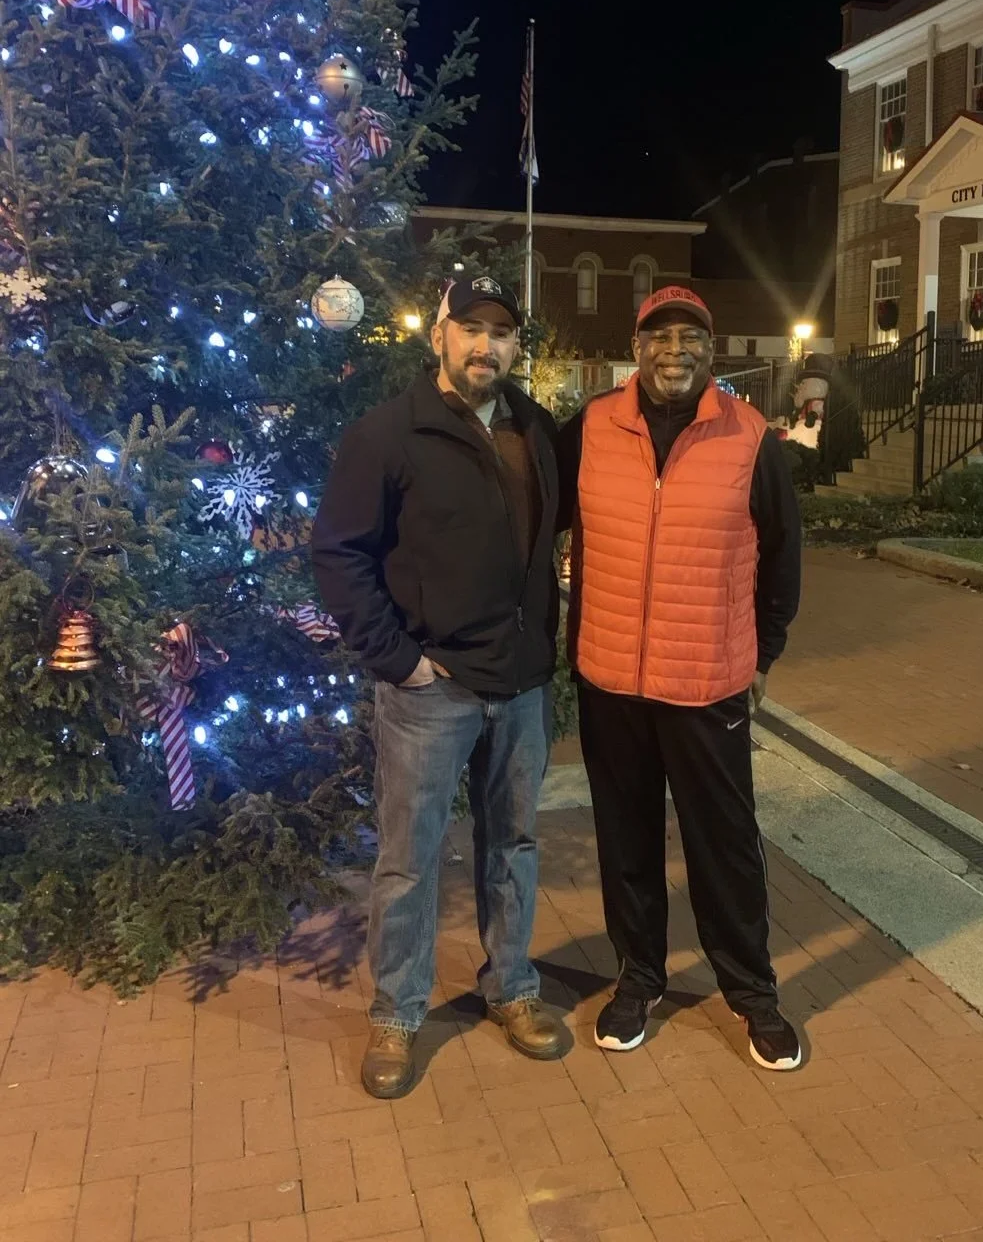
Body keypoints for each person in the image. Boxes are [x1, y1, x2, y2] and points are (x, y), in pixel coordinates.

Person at [312, 274, 564, 1099]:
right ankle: (397, 1010)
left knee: (515, 846)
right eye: (471, 328)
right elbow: (339, 555)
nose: (486, 345)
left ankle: (513, 987)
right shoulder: (387, 435)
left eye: (502, 331)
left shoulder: (537, 430)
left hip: (522, 685)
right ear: (440, 335)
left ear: (516, 344)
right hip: (432, 690)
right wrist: (399, 661)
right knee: (410, 861)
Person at [558, 285, 805, 1070]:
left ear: (712, 348)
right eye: (659, 336)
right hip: (611, 680)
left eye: (690, 336)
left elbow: (783, 559)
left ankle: (752, 993)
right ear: (637, 348)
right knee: (626, 841)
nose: (674, 350)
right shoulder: (593, 427)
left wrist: (764, 654)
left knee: (723, 846)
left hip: (707, 683)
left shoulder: (751, 437)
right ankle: (640, 979)